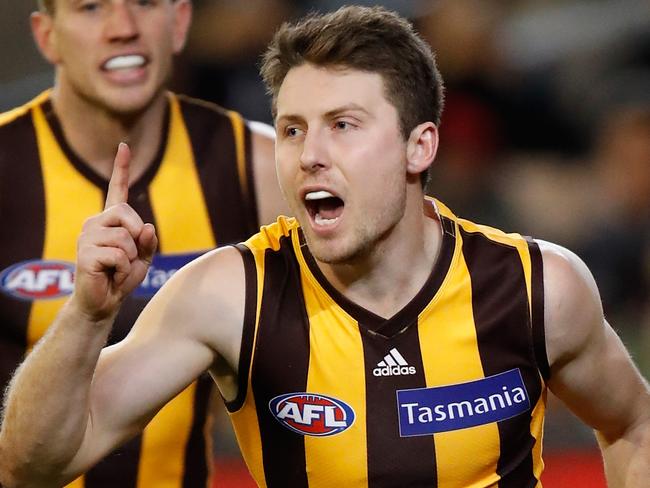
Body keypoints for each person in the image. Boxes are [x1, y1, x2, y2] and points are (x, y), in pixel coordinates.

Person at [1, 5, 649, 487]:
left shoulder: (540, 286)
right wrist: (87, 315)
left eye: (343, 126)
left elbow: (633, 425)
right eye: (291, 129)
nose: (310, 156)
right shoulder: (229, 293)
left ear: (418, 146)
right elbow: (34, 463)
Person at [0, 1, 286, 487]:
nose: (124, 28)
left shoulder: (261, 168)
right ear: (47, 36)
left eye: (145, 4)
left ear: (179, 22)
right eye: (91, 7)